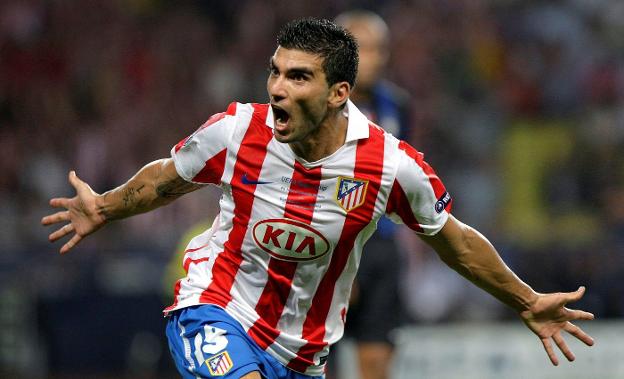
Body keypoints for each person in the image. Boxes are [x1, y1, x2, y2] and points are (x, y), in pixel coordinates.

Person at [42, 18, 594, 379]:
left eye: (298, 78)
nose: (278, 89)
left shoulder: (388, 165)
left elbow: (453, 241)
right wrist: (106, 207)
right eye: (275, 73)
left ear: (338, 94)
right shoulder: (236, 132)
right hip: (216, 310)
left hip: (303, 353)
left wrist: (525, 299)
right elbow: (166, 179)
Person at [333, 10, 411, 379]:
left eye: (380, 49)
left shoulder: (397, 104)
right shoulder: (315, 106)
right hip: (328, 241)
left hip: (381, 244)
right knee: (315, 359)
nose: (373, 57)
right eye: (362, 48)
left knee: (377, 360)